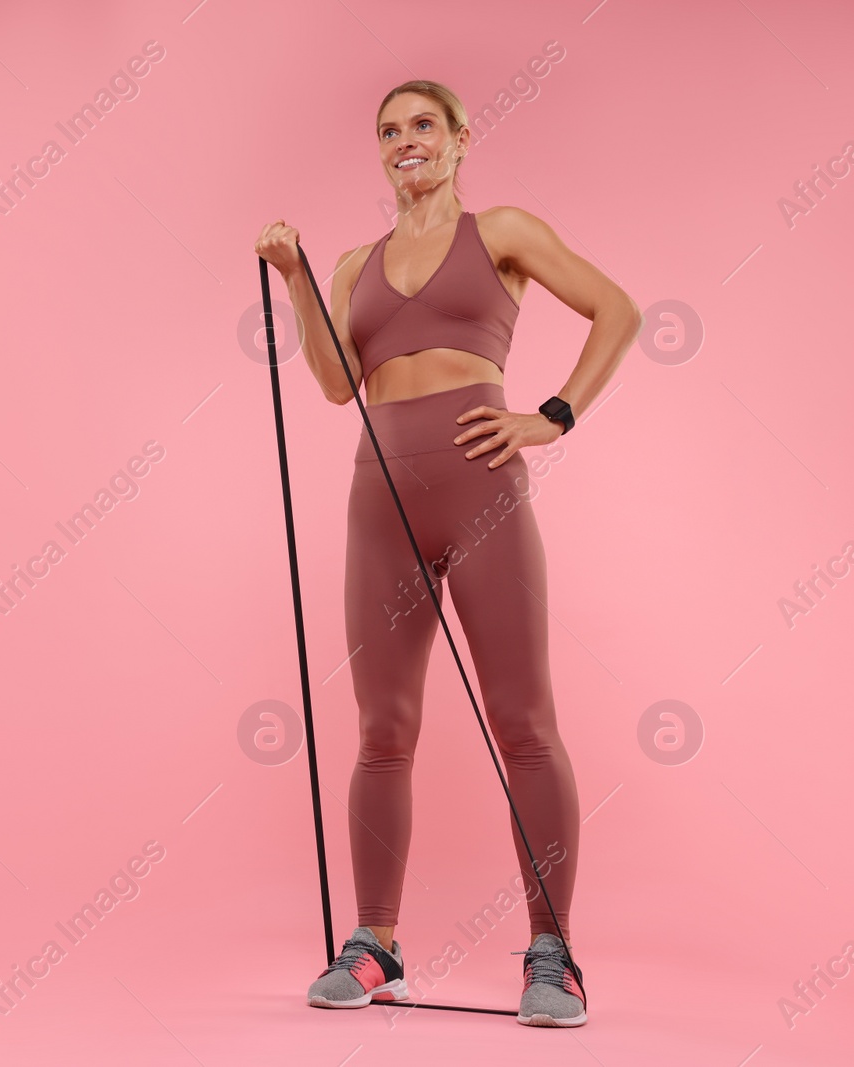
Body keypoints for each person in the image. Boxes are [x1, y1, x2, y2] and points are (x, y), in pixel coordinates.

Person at [253, 79, 640, 1027]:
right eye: (389, 130)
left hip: (480, 493)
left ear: (461, 139)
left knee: (523, 721)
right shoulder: (354, 264)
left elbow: (618, 309)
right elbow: (340, 384)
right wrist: (298, 276)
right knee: (382, 729)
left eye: (423, 125)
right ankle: (374, 943)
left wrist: (551, 417)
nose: (405, 141)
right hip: (377, 499)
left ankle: (554, 957)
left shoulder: (501, 229)